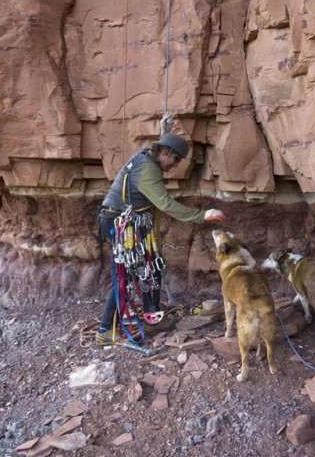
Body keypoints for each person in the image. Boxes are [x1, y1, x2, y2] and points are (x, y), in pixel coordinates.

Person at [96, 133, 227, 346]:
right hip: (119, 224)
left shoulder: (146, 156)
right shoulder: (149, 169)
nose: (175, 166)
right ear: (165, 153)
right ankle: (105, 330)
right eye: (176, 160)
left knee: (151, 268)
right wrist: (202, 215)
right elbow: (164, 203)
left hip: (129, 223)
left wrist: (163, 128)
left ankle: (152, 318)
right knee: (126, 276)